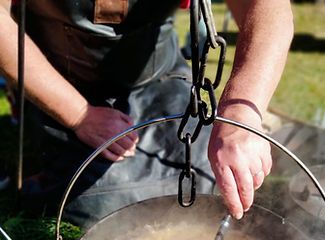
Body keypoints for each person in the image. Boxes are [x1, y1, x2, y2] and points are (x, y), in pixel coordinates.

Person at [0, 0, 294, 226]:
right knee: (106, 202)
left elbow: (268, 9)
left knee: (209, 177)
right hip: (60, 82)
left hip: (159, 76)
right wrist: (80, 115)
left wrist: (239, 115)